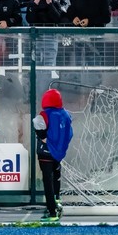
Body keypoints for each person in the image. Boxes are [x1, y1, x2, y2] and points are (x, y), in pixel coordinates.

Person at [32, 89, 73, 222]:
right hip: (59, 154)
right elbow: (70, 133)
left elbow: (37, 124)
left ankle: (52, 212)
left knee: (47, 181)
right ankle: (57, 200)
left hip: (45, 153)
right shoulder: (66, 115)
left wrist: (43, 138)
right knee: (56, 176)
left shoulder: (44, 115)